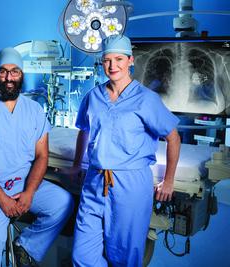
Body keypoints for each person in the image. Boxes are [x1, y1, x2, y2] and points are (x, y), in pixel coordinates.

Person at [70, 35, 181, 267]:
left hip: (130, 184)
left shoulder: (146, 99)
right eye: (107, 60)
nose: (112, 66)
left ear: (131, 60)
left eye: (119, 59)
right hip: (95, 179)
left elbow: (173, 138)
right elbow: (84, 130)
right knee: (82, 256)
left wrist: (168, 180)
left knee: (123, 256)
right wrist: (75, 165)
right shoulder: (93, 96)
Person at [0, 47, 73, 267]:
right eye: (3, 72)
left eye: (14, 72)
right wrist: (2, 198)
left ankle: (27, 246)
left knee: (64, 203)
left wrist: (30, 192)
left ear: (22, 75)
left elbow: (42, 156)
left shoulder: (34, 110)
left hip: (24, 184)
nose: (9, 78)